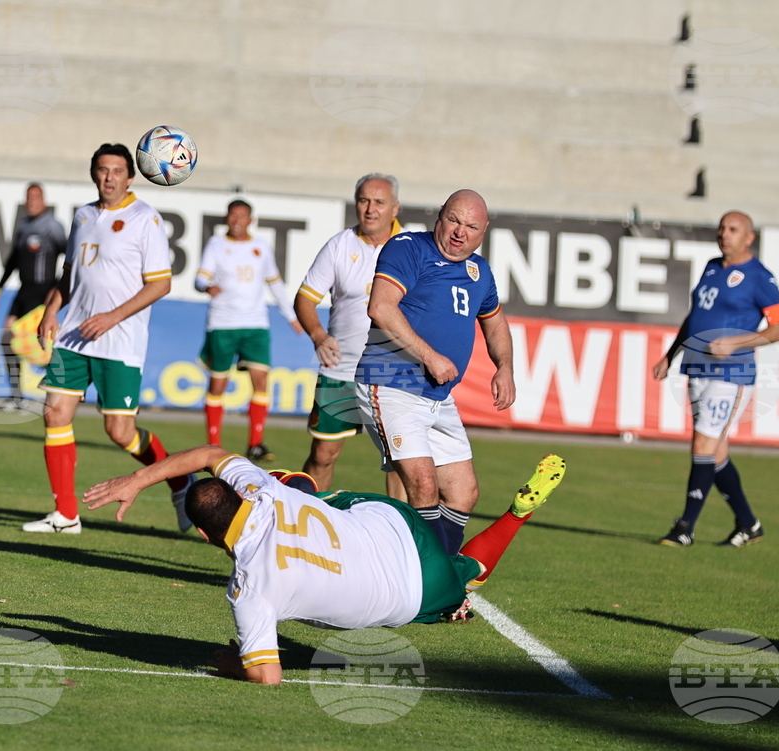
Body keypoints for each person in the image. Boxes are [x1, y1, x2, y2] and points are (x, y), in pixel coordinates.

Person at [84, 447, 567, 684]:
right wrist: (138, 479)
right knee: (298, 490)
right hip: (390, 519)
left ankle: (510, 522)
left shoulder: (249, 590)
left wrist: (231, 662)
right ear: (237, 492)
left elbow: (266, 676)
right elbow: (212, 454)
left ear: (208, 536)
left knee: (466, 579)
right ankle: (310, 493)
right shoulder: (258, 488)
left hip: (411, 597)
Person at [23, 143, 193, 535]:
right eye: (102, 169)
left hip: (120, 340)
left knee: (119, 431)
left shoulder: (145, 219)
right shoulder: (83, 216)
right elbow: (69, 274)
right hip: (73, 336)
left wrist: (112, 317)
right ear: (93, 173)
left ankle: (180, 480)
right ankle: (65, 515)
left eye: (117, 170)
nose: (109, 177)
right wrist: (52, 310)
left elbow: (161, 284)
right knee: (54, 413)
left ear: (130, 177)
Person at [354, 189, 515, 556]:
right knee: (423, 487)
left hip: (437, 397)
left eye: (471, 226)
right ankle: (426, 582)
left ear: (483, 230)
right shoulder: (408, 248)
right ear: (440, 215)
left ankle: (429, 573)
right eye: (454, 220)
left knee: (463, 493)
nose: (460, 232)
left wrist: (504, 367)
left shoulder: (479, 271)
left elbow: (495, 323)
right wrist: (430, 357)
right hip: (390, 382)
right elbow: (380, 307)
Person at [652, 211, 779, 548]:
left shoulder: (760, 278)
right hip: (697, 367)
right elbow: (694, 316)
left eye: (733, 229)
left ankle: (685, 527)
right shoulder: (712, 267)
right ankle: (748, 523)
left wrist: (736, 342)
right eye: (722, 228)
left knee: (702, 445)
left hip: (732, 373)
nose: (724, 234)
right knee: (715, 452)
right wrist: (671, 355)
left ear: (749, 238)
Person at [295, 173, 405, 498]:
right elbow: (305, 299)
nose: (370, 209)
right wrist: (317, 335)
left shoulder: (411, 249)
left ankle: (401, 538)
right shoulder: (339, 245)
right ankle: (305, 525)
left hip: (391, 373)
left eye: (379, 202)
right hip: (340, 369)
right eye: (364, 200)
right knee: (323, 455)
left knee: (400, 461)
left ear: (394, 208)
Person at [195, 199, 303, 464]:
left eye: (241, 216)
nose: (237, 220)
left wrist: (292, 316)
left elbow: (275, 283)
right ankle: (214, 443)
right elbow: (199, 278)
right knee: (219, 382)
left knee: (261, 381)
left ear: (250, 220)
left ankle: (255, 444)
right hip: (222, 323)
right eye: (232, 216)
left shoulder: (261, 247)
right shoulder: (216, 245)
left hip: (255, 324)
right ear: (226, 219)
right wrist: (206, 287)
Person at [0, 183, 66, 411]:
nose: (31, 202)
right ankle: (16, 396)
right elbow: (13, 260)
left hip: (44, 292)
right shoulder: (23, 227)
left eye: (35, 198)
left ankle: (57, 391)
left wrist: (57, 289)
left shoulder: (53, 227)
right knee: (7, 339)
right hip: (23, 291)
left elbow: (69, 258)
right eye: (28, 198)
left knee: (41, 346)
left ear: (43, 200)